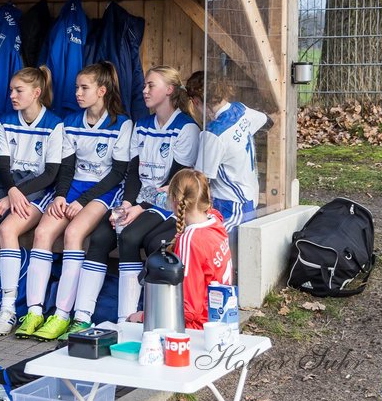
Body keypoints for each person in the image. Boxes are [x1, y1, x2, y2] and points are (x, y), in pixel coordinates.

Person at [15, 63, 132, 340]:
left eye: (84, 88)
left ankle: (63, 315)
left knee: (73, 233)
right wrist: (60, 196)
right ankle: (34, 311)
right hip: (72, 188)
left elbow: (117, 173)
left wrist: (81, 200)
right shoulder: (70, 121)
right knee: (42, 232)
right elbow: (66, 168)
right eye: (77, 87)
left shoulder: (121, 124)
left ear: (101, 91)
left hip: (101, 191)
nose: (77, 93)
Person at [84, 66, 201, 321]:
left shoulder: (186, 128)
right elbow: (133, 172)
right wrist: (127, 204)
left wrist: (139, 208)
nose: (144, 90)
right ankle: (81, 316)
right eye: (145, 85)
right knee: (101, 236)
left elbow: (174, 181)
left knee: (128, 236)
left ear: (169, 90)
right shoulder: (143, 124)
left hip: (166, 202)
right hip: (138, 199)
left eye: (151, 85)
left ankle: (126, 319)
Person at [0, 66, 62, 336]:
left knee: (8, 229)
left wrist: (17, 196)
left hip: (38, 191)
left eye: (18, 90)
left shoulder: (54, 123)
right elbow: (3, 165)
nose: (12, 95)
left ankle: (8, 309)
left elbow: (51, 174)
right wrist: (11, 192)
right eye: (11, 89)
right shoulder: (6, 120)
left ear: (36, 92)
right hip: (8, 188)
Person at [128, 169, 231, 329]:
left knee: (132, 324)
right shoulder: (215, 221)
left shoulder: (191, 240)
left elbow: (189, 309)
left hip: (197, 328)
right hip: (220, 321)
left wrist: (143, 316)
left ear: (176, 201)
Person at [185, 71, 269, 235]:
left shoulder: (213, 133)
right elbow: (266, 120)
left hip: (230, 205)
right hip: (249, 196)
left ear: (195, 101)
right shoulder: (241, 109)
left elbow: (201, 180)